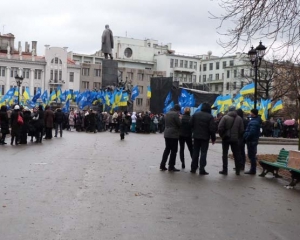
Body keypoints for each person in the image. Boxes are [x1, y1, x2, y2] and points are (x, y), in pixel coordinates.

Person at [190, 102, 216, 175]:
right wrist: (213, 138)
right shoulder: (210, 116)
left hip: (196, 136)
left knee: (195, 152)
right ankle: (202, 169)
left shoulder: (195, 114)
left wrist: (194, 131)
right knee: (203, 153)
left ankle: (193, 168)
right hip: (205, 137)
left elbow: (190, 124)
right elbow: (212, 129)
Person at [218, 106, 244, 175]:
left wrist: (222, 135)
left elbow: (220, 128)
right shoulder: (239, 118)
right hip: (235, 139)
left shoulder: (225, 117)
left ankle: (225, 170)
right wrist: (237, 136)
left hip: (226, 138)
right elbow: (241, 130)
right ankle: (238, 170)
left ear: (229, 110)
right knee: (236, 154)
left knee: (224, 154)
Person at [160, 104, 181, 172]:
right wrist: (180, 119)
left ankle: (162, 165)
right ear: (178, 110)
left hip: (166, 133)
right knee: (174, 151)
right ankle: (171, 166)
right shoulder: (175, 114)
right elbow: (179, 124)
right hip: (173, 134)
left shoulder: (167, 113)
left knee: (167, 149)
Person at [243, 109, 262, 174]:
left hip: (251, 141)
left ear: (253, 113)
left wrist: (246, 137)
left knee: (251, 155)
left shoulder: (254, 122)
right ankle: (252, 169)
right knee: (252, 155)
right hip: (253, 140)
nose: (250, 113)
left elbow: (251, 132)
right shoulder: (255, 120)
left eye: (251, 112)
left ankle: (253, 170)